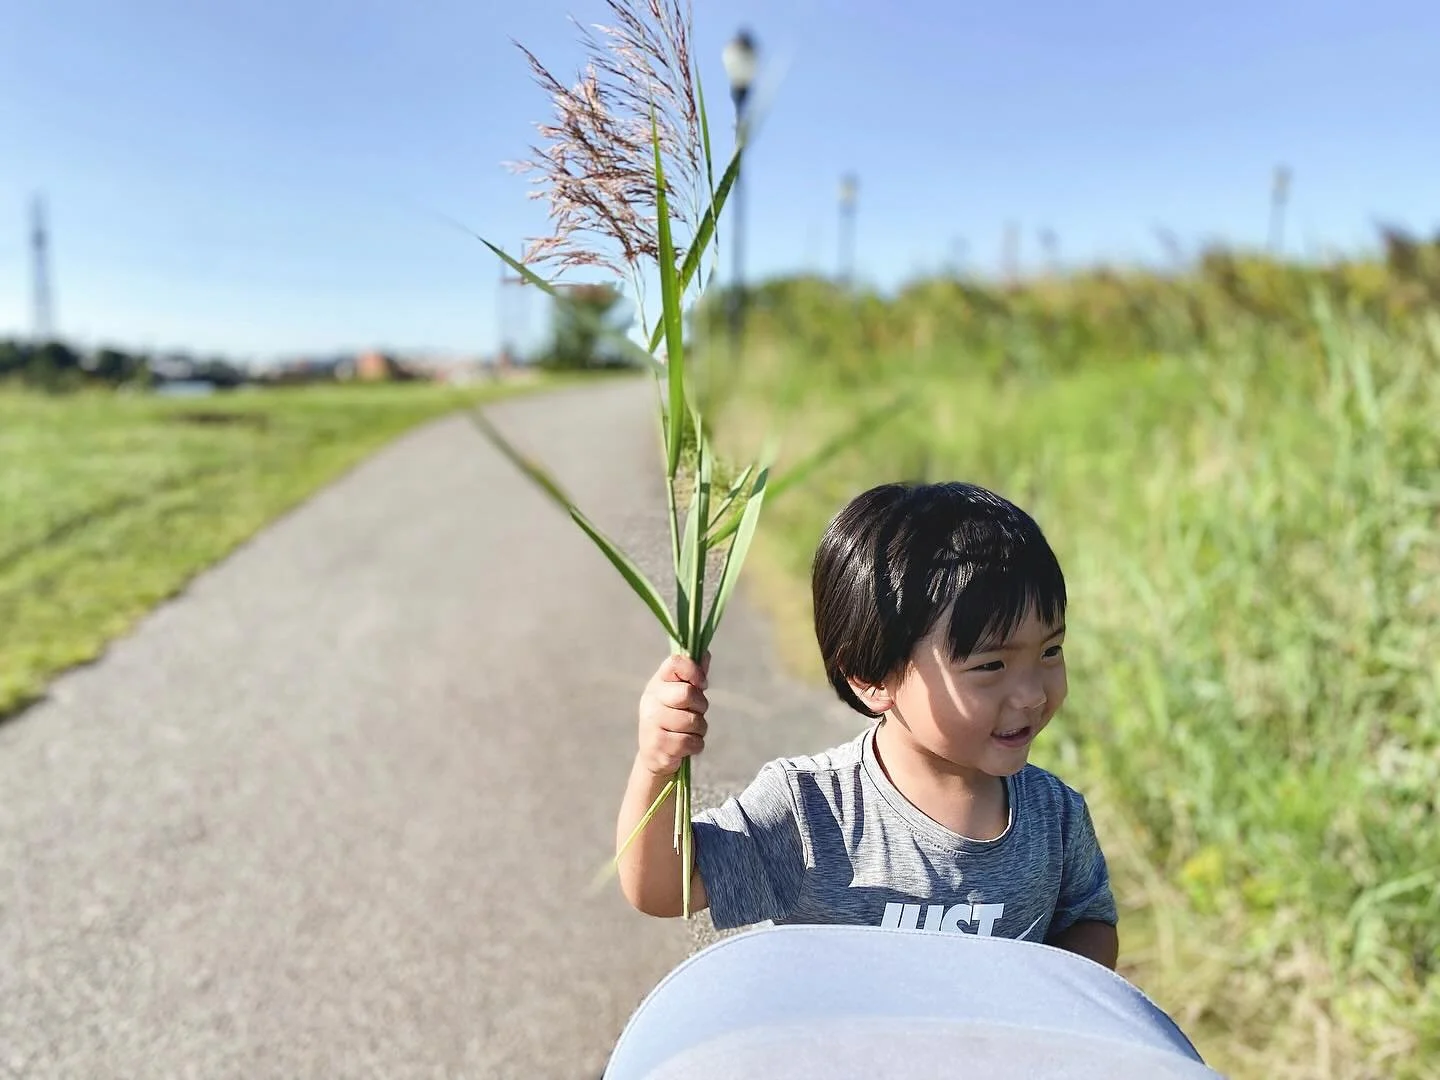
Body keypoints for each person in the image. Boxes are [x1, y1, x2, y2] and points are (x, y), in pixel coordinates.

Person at [613, 480, 1119, 970]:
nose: (1032, 694)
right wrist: (657, 766)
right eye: (991, 666)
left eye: (1050, 651)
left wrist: (1051, 996)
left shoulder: (1054, 816)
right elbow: (662, 888)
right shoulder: (811, 813)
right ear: (873, 678)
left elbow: (1090, 920)